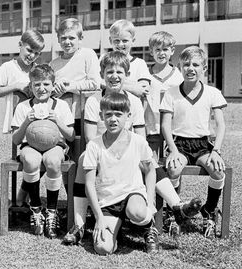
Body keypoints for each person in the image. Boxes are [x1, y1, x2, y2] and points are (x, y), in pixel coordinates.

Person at [63, 52, 202, 250]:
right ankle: (80, 224)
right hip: (102, 150)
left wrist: (131, 155)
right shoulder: (95, 101)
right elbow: (90, 137)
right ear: (102, 74)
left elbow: (140, 137)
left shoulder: (134, 101)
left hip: (127, 151)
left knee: (148, 159)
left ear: (127, 74)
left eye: (119, 71)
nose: (114, 75)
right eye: (109, 71)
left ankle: (175, 206)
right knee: (85, 156)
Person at [160, 46, 227, 238]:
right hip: (179, 145)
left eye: (196, 65)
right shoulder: (171, 92)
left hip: (203, 146)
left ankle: (209, 211)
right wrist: (172, 150)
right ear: (180, 67)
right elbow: (165, 125)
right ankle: (174, 211)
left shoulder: (212, 92)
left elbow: (220, 125)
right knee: (173, 168)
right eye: (186, 64)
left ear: (204, 68)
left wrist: (216, 150)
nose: (190, 68)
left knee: (218, 170)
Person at [84, 92, 156, 255]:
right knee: (103, 248)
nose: (113, 119)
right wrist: (99, 217)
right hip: (108, 202)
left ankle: (147, 226)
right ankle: (116, 231)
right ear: (101, 116)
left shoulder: (138, 142)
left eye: (118, 114)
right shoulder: (94, 145)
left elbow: (150, 171)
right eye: (108, 114)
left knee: (138, 212)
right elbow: (89, 184)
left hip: (132, 195)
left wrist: (150, 204)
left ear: (128, 116)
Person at [11, 64, 75, 239]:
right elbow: (16, 140)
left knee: (53, 161)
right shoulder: (24, 107)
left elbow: (70, 136)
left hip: (55, 145)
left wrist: (58, 121)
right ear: (30, 87)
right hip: (29, 146)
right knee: (31, 161)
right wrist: (26, 122)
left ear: (53, 85)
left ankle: (52, 213)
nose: (41, 88)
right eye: (36, 84)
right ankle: (36, 209)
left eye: (46, 84)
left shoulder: (60, 106)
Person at [0, 29, 45, 207]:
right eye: (29, 50)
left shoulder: (37, 69)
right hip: (16, 119)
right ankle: (21, 199)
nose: (32, 56)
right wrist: (16, 86)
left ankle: (22, 193)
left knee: (38, 157)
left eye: (36, 53)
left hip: (37, 120)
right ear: (20, 45)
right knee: (20, 156)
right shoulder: (8, 67)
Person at [50, 18, 100, 135]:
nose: (67, 42)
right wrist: (55, 88)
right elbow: (50, 90)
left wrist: (69, 86)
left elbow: (94, 83)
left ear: (80, 38)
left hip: (82, 114)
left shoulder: (88, 54)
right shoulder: (53, 64)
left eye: (71, 38)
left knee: (81, 147)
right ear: (58, 39)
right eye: (63, 38)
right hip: (60, 117)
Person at [146, 31, 183, 159]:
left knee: (173, 163)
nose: (161, 53)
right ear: (151, 52)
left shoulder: (178, 76)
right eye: (157, 50)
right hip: (152, 128)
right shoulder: (145, 74)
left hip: (173, 129)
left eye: (165, 49)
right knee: (151, 162)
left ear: (172, 51)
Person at [107, 19, 151, 99]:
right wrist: (132, 87)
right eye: (116, 40)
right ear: (110, 40)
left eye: (125, 41)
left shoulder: (139, 63)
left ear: (133, 41)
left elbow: (143, 88)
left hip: (132, 107)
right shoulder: (105, 59)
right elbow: (98, 82)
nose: (120, 44)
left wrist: (111, 83)